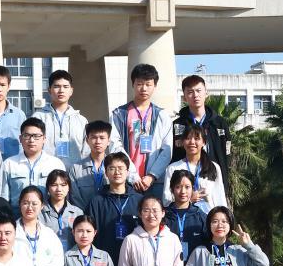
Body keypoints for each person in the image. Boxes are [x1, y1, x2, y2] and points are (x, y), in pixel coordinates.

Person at [108, 63, 173, 194]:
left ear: (155, 86)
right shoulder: (119, 114)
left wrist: (152, 176)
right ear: (133, 84)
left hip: (155, 183)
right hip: (126, 181)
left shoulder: (162, 116)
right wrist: (133, 176)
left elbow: (167, 150)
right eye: (139, 84)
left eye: (148, 84)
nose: (144, 88)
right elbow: (115, 147)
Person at [172, 74, 232, 195]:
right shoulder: (178, 125)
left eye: (199, 91)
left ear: (206, 93)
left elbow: (227, 153)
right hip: (185, 186)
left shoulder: (220, 123)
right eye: (190, 92)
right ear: (184, 97)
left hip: (214, 181)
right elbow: (174, 155)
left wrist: (224, 181)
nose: (195, 95)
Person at [85, 152, 141, 265]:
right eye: (112, 168)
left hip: (134, 259)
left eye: (121, 168)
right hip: (103, 259)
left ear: (127, 172)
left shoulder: (139, 200)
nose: (117, 172)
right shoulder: (96, 201)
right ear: (106, 173)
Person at [0, 118, 68, 205]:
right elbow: (3, 197)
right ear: (20, 138)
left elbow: (62, 196)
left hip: (47, 213)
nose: (31, 140)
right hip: (16, 212)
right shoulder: (9, 164)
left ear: (44, 139)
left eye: (36, 136)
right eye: (26, 135)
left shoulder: (56, 164)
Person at [162, 125, 227, 211]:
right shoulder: (173, 168)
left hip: (208, 216)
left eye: (196, 138)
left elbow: (220, 198)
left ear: (204, 142)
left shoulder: (213, 167)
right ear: (182, 142)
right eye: (188, 138)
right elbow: (166, 200)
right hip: (182, 216)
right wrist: (188, 199)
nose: (192, 142)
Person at [32, 70, 89, 163]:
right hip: (46, 170)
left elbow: (86, 151)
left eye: (65, 87)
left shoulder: (81, 121)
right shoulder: (38, 117)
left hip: (74, 171)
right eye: (56, 86)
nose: (61, 90)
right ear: (49, 90)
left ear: (71, 91)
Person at [68, 120, 114, 211]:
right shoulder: (76, 168)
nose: (98, 141)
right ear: (87, 140)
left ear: (109, 141)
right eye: (93, 137)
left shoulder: (114, 167)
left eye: (102, 138)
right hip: (85, 217)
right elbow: (75, 198)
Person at [164, 170, 209, 261]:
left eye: (187, 187)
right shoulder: (163, 215)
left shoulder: (200, 216)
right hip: (168, 264)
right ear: (172, 189)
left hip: (195, 265)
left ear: (192, 189)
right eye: (178, 187)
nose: (183, 191)